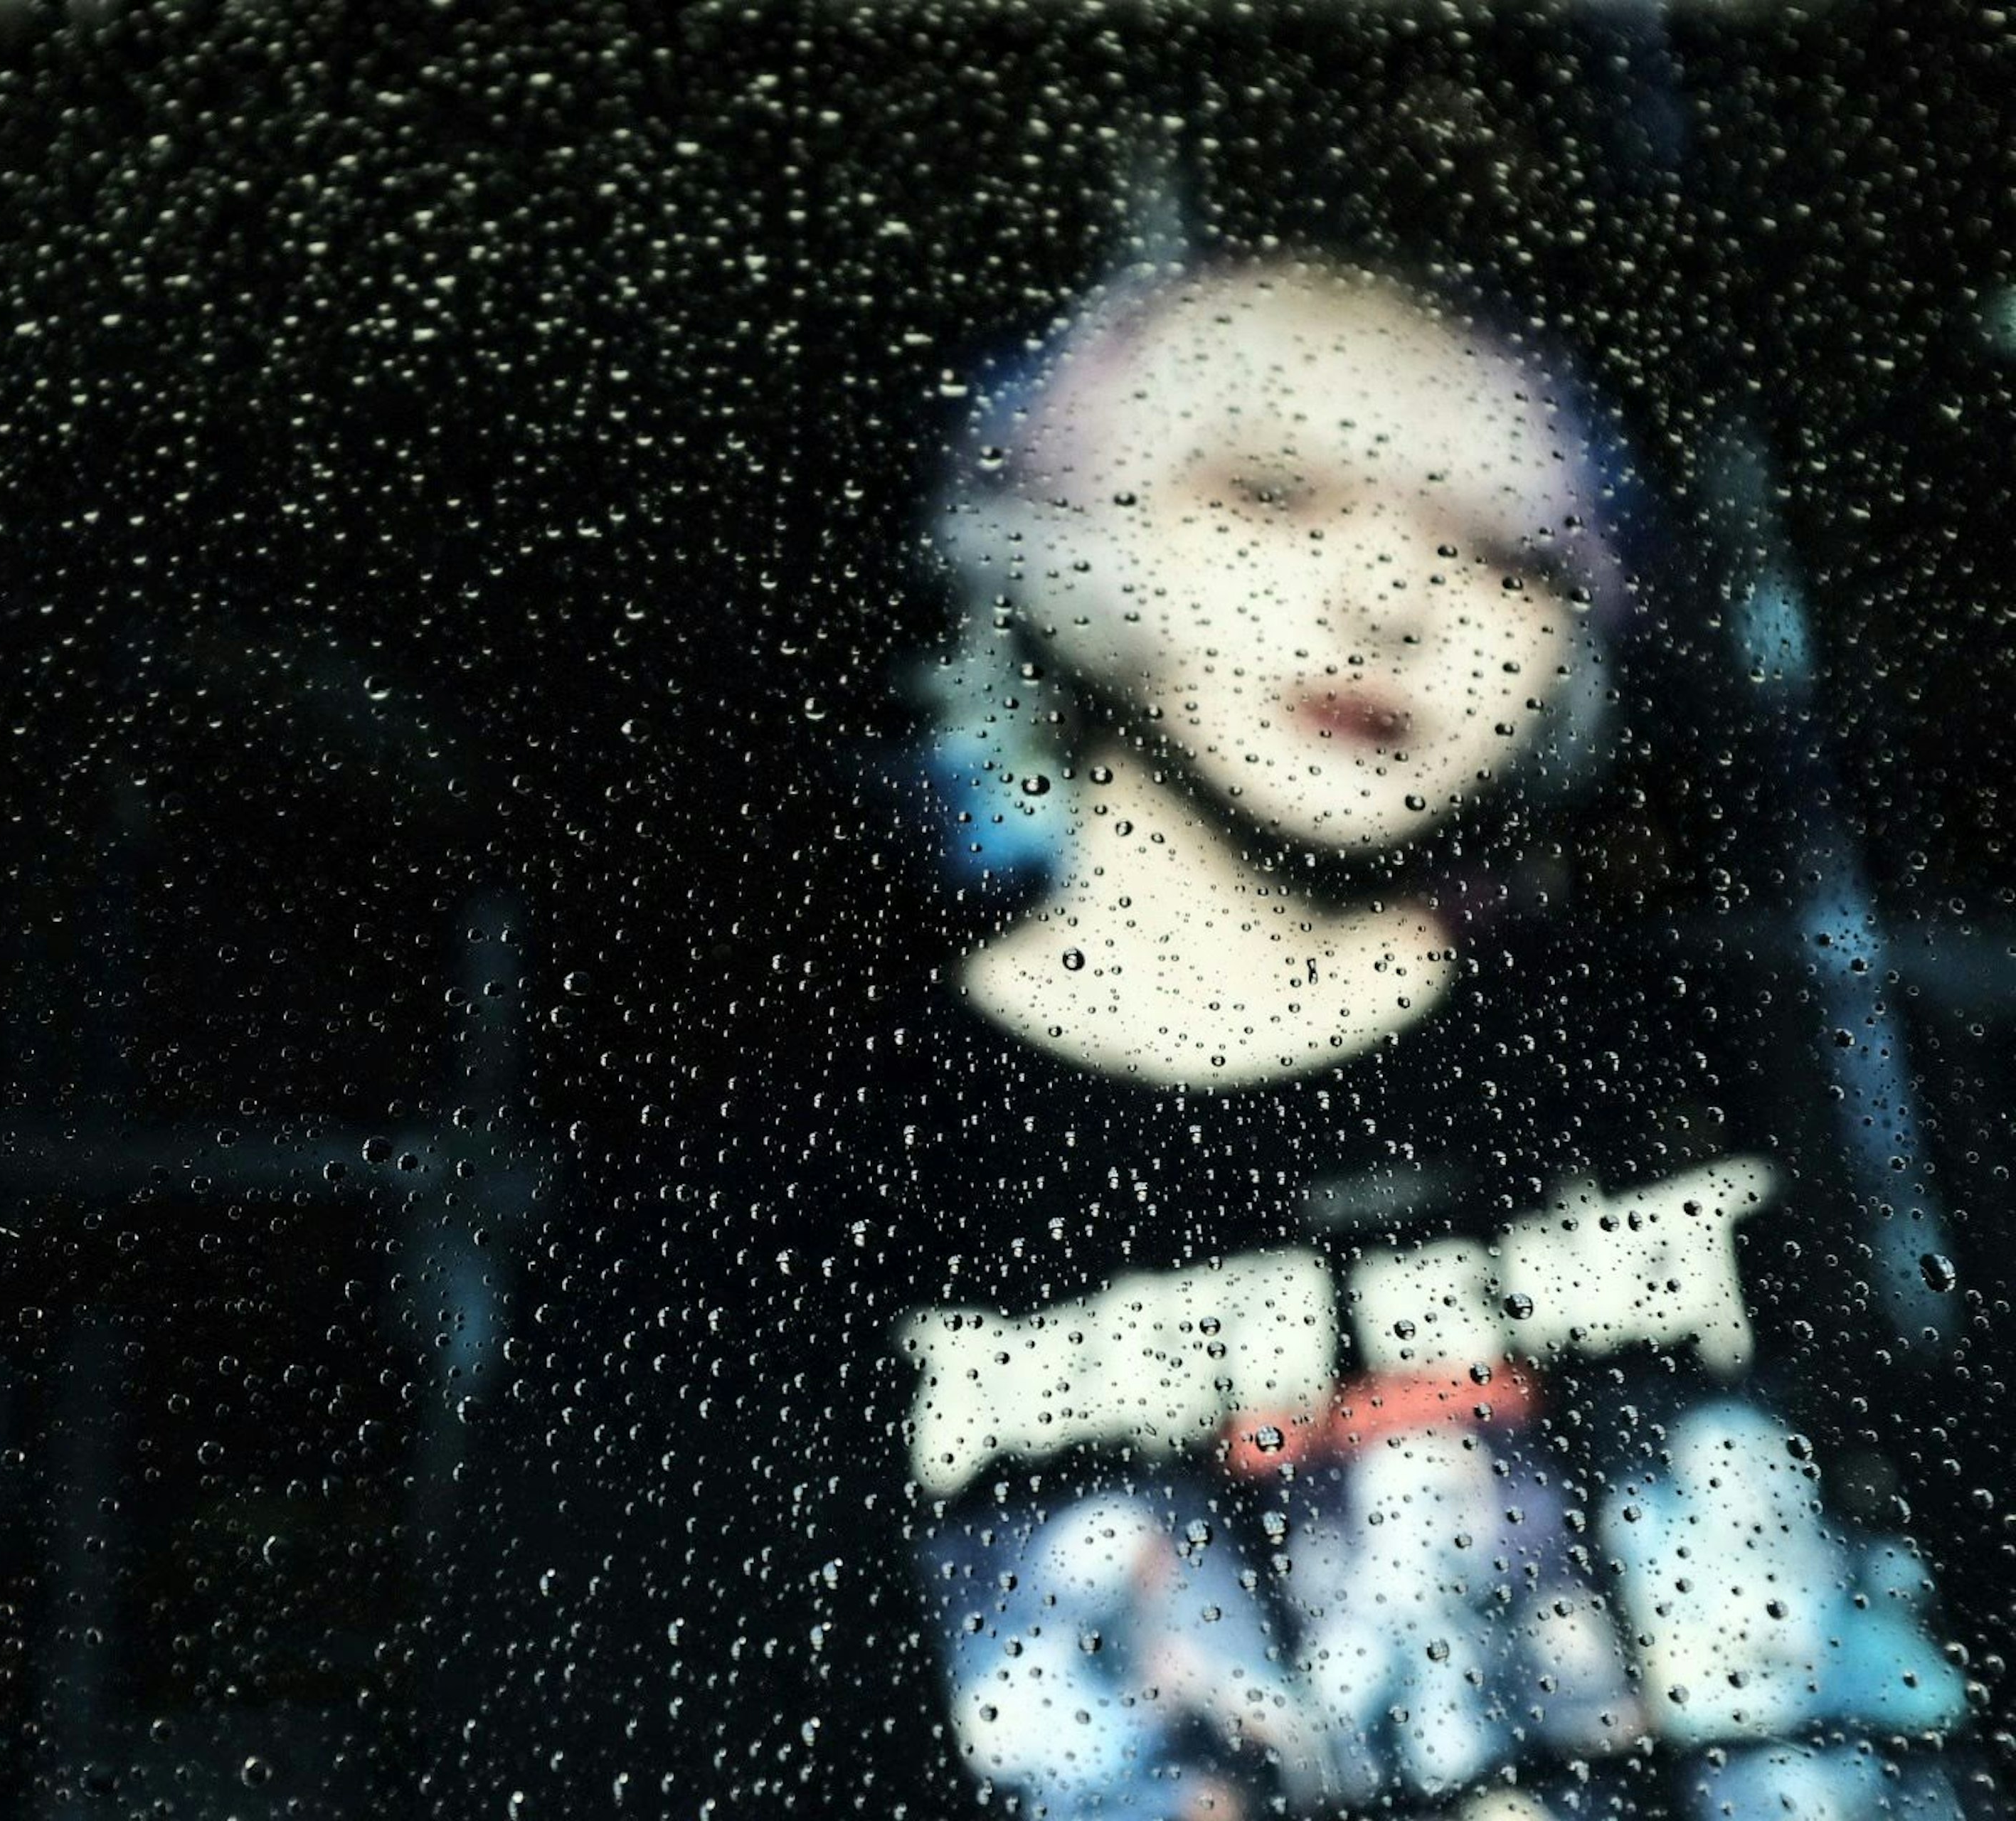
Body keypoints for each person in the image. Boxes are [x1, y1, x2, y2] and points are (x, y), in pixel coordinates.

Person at [425, 249, 1993, 1821]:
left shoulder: (1788, 1080)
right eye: (1271, 495)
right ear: (1062, 536)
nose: (1390, 599)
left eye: (1503, 554)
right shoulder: (754, 1218)